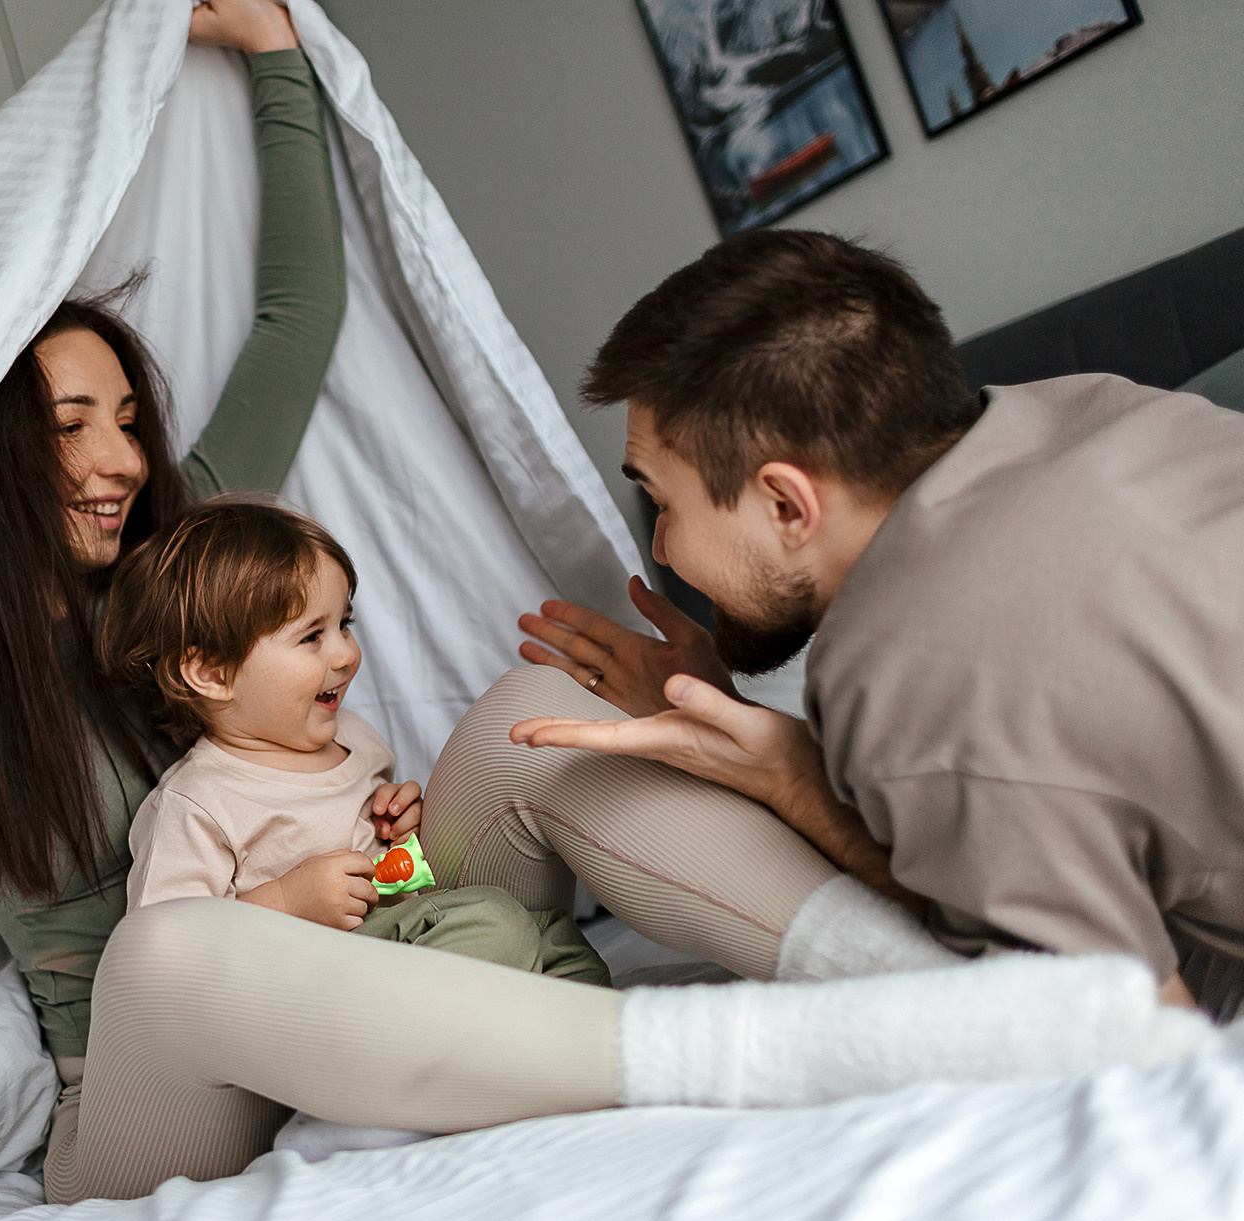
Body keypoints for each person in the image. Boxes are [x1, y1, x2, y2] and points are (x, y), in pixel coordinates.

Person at [0, 53, 1214, 1208]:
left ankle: (927, 995)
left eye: (123, 419)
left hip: (376, 925)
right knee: (174, 948)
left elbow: (296, 321)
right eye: (64, 431)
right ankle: (766, 1063)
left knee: (533, 707)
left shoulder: (184, 573)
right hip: (162, 1079)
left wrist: (276, 63)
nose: (114, 460)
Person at [512, 228, 1244, 1017]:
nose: (660, 547)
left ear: (787, 504)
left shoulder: (914, 678)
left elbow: (1153, 1041)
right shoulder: (1097, 406)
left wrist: (794, 779)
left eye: (663, 502)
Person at [103, 497, 608, 984]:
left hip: (401, 951)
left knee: (551, 934)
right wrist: (285, 902)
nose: (345, 654)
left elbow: (402, 891)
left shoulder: (356, 738)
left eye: (343, 624)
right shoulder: (196, 803)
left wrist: (405, 830)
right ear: (213, 673)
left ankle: (575, 1034)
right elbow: (161, 957)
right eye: (311, 636)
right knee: (496, 923)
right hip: (315, 991)